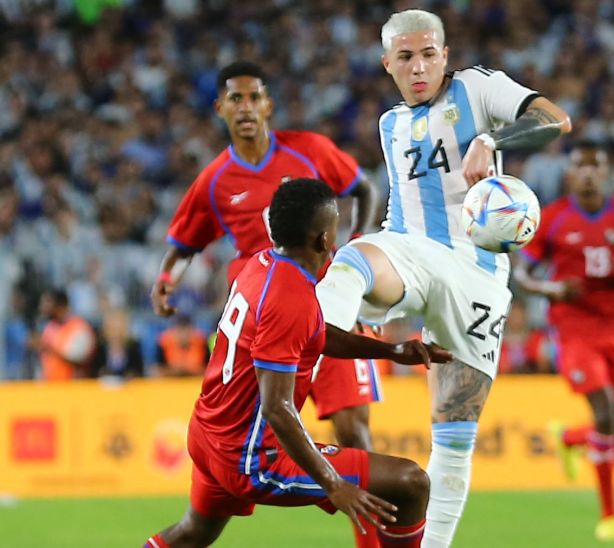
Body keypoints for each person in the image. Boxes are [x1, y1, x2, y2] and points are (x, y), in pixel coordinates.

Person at [315, 10, 572, 547]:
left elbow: (555, 120)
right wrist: (380, 267)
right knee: (353, 259)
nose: (419, 67)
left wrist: (495, 141)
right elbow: (403, 206)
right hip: (413, 251)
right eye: (405, 57)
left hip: (477, 271)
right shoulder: (390, 125)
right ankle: (291, 380)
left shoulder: (479, 89)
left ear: (445, 55)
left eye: (429, 54)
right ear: (387, 63)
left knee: (454, 434)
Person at [144, 179, 452, 548]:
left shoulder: (261, 265)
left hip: (208, 435)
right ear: (324, 240)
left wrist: (390, 351)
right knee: (410, 482)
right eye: (335, 225)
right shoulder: (289, 296)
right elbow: (277, 407)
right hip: (252, 458)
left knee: (191, 535)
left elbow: (316, 335)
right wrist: (332, 483)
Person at [149, 61, 385, 542]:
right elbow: (185, 241)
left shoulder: (311, 151)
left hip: (328, 308)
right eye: (235, 99)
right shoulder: (215, 180)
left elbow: (363, 188)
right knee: (230, 475)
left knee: (356, 433)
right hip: (264, 320)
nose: (246, 107)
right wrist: (168, 278)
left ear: (268, 104)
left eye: (254, 97)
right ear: (220, 109)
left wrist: (355, 250)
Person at [515, 141, 614, 541]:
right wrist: (552, 290)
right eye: (581, 167)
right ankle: (610, 516)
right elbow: (523, 275)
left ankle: (570, 437)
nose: (589, 174)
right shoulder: (555, 219)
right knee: (605, 411)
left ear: (607, 173)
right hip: (574, 329)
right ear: (570, 174)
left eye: (597, 167)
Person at [33, 288, 96, 381]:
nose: (43, 308)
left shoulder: (79, 327)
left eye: (48, 303)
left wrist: (51, 348)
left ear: (60, 305)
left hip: (71, 388)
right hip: (50, 388)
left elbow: (80, 359)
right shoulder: (49, 327)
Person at [92, 308, 144, 379]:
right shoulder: (99, 349)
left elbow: (140, 372)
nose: (116, 333)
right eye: (113, 328)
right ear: (105, 330)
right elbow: (93, 374)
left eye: (120, 328)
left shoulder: (134, 348)